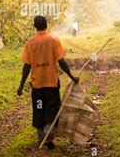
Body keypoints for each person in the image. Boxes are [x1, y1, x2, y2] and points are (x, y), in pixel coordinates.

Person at [17, 16, 79, 149]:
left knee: (39, 108)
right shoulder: (54, 40)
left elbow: (26, 66)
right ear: (46, 25)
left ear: (35, 26)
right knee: (52, 109)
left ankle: (41, 138)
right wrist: (71, 76)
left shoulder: (30, 43)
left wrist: (21, 85)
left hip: (37, 85)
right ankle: (49, 135)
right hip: (51, 84)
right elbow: (61, 61)